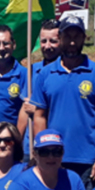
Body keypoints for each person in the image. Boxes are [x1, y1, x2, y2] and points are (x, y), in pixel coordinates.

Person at [31, 15, 95, 190]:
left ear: (85, 38)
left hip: (89, 162)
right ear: (60, 38)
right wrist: (41, 151)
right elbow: (39, 116)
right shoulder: (45, 74)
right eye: (68, 37)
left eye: (77, 37)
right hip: (54, 158)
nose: (72, 42)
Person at [21, 18, 61, 158]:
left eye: (53, 41)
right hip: (30, 148)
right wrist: (16, 142)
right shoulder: (32, 71)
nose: (47, 46)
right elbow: (25, 108)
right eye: (43, 41)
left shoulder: (69, 71)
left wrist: (39, 110)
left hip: (57, 148)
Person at [0, 25, 27, 135]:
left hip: (10, 143)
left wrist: (17, 140)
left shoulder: (24, 74)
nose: (1, 48)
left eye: (6, 43)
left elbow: (26, 111)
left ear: (14, 45)